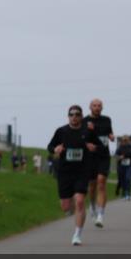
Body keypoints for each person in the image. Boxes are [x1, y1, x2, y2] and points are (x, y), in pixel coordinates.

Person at [47, 105, 102, 246]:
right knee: (65, 207)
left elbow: (100, 146)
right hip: (64, 172)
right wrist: (56, 149)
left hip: (82, 171)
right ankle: (71, 208)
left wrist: (94, 147)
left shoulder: (88, 131)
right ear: (68, 116)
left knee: (80, 201)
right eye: (71, 114)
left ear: (81, 116)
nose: (74, 117)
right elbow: (50, 146)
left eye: (77, 114)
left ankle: (77, 235)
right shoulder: (61, 131)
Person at [83, 99, 115, 228]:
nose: (97, 107)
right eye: (94, 105)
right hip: (90, 156)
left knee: (101, 182)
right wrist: (87, 144)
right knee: (92, 186)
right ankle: (92, 205)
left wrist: (111, 136)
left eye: (99, 106)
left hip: (103, 155)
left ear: (102, 108)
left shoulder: (107, 119)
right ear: (90, 107)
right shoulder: (85, 121)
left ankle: (100, 215)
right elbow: (81, 137)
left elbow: (109, 132)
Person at [115, 135, 131, 201]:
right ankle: (123, 192)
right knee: (122, 179)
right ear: (122, 141)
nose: (125, 142)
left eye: (126, 140)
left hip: (130, 165)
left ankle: (128, 193)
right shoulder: (120, 148)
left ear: (128, 140)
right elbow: (116, 156)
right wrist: (119, 157)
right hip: (121, 166)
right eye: (124, 140)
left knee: (128, 178)